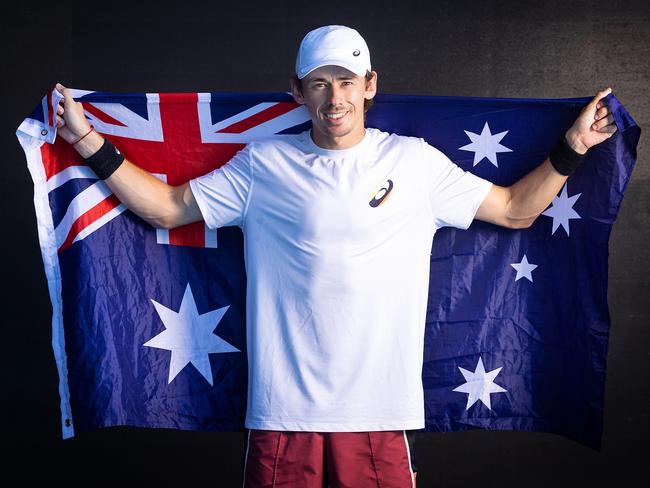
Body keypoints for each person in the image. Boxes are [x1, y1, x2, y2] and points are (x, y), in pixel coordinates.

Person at [54, 24, 617, 488]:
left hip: (380, 415)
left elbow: (516, 209)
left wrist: (573, 147)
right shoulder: (263, 165)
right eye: (318, 84)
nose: (334, 98)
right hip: (282, 415)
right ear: (297, 92)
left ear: (370, 85)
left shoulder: (414, 164)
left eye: (346, 81)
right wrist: (84, 141)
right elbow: (167, 208)